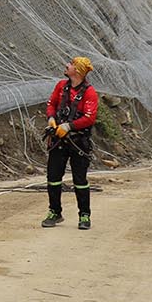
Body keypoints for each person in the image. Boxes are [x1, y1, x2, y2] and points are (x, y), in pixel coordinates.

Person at [41, 56, 98, 230]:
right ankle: (55, 212)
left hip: (78, 142)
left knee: (80, 180)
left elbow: (89, 118)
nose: (67, 65)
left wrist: (69, 126)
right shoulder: (61, 86)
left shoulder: (89, 93)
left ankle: (84, 215)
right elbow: (51, 104)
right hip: (58, 139)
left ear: (78, 71)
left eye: (71, 64)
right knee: (53, 178)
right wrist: (51, 118)